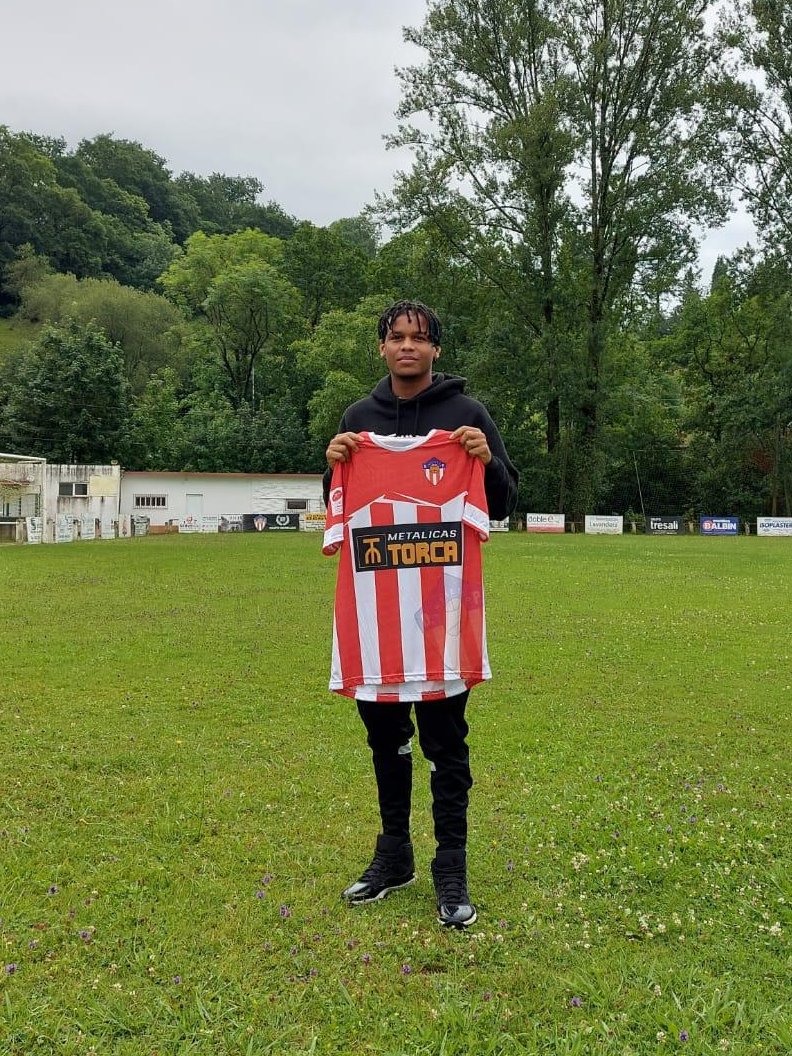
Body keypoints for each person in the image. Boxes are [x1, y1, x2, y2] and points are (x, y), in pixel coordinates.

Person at [323, 300, 518, 927]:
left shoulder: (466, 417)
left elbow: (506, 501)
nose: (408, 347)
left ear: (436, 349)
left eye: (419, 338)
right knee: (385, 739)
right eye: (397, 337)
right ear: (381, 347)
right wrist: (330, 462)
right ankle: (394, 852)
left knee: (444, 741)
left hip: (441, 617)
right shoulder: (358, 420)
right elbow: (334, 501)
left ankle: (450, 865)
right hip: (373, 621)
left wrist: (484, 458)